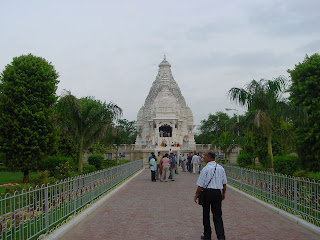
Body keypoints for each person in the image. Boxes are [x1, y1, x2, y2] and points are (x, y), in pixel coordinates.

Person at [194, 150, 227, 240]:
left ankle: (207, 235)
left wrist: (196, 194)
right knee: (217, 216)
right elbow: (224, 183)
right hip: (217, 193)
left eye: (205, 155)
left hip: (207, 193)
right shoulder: (220, 168)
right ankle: (221, 237)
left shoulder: (206, 169)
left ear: (208, 157)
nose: (203, 157)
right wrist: (223, 193)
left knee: (206, 214)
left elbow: (200, 185)